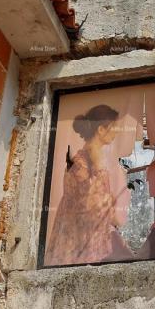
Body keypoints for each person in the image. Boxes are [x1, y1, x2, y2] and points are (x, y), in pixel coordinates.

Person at [46, 104, 134, 265]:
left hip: (83, 245)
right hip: (76, 247)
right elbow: (93, 206)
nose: (116, 131)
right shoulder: (83, 163)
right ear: (101, 129)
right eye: (113, 127)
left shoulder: (89, 160)